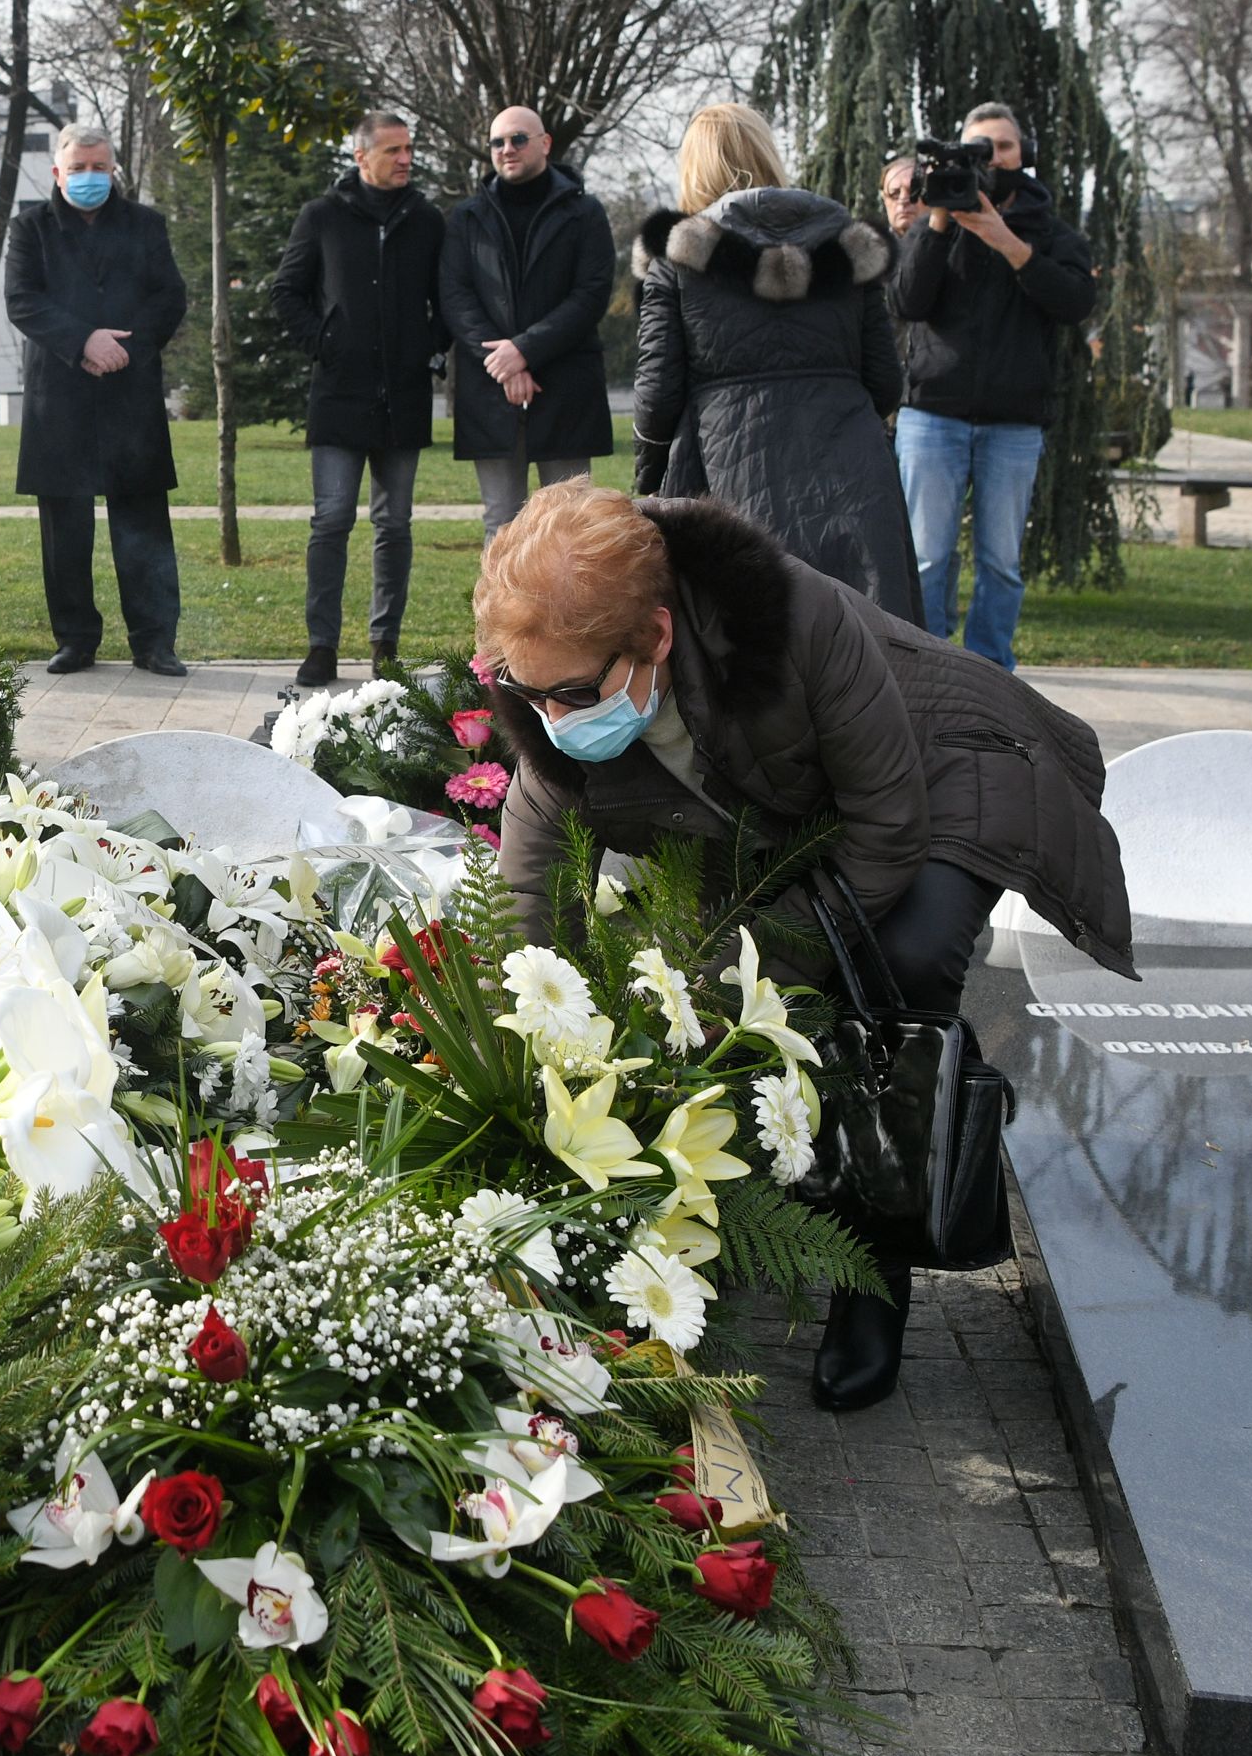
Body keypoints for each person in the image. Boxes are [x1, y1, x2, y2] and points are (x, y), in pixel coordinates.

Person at [472, 480, 1131, 1412]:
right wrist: (530, 1049)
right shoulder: (555, 694)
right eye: (527, 691)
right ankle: (761, 1215)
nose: (554, 718)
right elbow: (529, 906)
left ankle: (879, 1262)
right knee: (714, 987)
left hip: (941, 771)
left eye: (574, 693)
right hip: (774, 808)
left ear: (656, 636)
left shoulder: (791, 618)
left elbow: (889, 829)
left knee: (898, 964)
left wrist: (742, 975)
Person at [635, 101, 919, 619]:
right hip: (851, 474)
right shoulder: (848, 246)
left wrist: (649, 479)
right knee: (868, 645)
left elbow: (656, 397)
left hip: (726, 470)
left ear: (694, 166)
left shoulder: (677, 258)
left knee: (748, 649)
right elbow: (884, 382)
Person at [878, 103, 1097, 668]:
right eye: (980, 148)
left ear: (1023, 156)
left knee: (1001, 562)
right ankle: (921, 669)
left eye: (1002, 146)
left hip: (1014, 422)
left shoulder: (1050, 232)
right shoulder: (933, 225)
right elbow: (906, 302)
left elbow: (1075, 303)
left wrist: (1008, 242)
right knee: (926, 558)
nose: (993, 157)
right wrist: (941, 222)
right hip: (933, 416)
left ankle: (993, 675)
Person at [5, 123, 192, 677]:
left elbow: (169, 297)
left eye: (100, 167)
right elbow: (22, 300)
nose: (90, 177)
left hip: (129, 395)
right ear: (57, 172)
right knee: (65, 531)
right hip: (58, 398)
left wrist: (122, 349)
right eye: (79, 168)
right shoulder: (30, 228)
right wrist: (83, 341)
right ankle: (75, 640)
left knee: (145, 526)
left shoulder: (145, 225)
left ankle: (155, 642)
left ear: (114, 170)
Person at [273, 111, 448, 687]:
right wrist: (324, 341)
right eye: (394, 150)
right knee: (331, 521)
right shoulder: (321, 216)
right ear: (360, 156)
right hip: (339, 395)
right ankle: (321, 645)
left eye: (409, 149)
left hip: (404, 395)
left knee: (394, 524)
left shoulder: (425, 220)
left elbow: (447, 299)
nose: (405, 159)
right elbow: (287, 291)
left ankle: (384, 644)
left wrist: (431, 345)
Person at [443, 105, 617, 535]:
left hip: (566, 387)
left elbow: (591, 295)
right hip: (490, 390)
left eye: (518, 139)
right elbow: (455, 296)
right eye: (497, 142)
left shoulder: (585, 213)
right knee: (501, 526)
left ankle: (571, 609)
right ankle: (504, 608)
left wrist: (524, 350)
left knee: (570, 528)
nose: (507, 149)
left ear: (545, 144)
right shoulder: (467, 218)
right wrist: (503, 363)